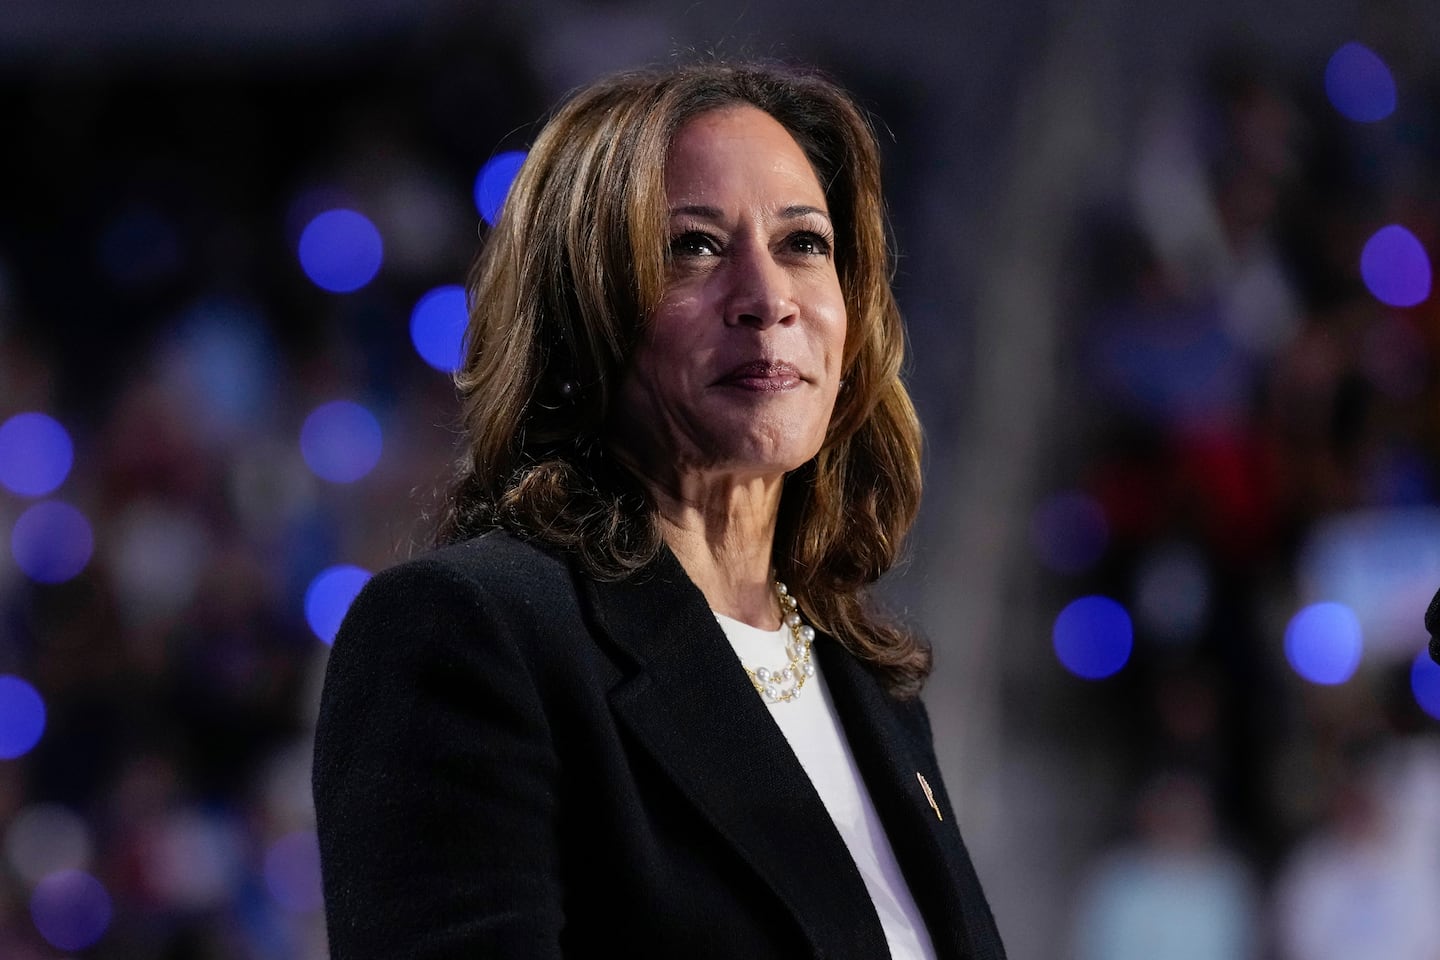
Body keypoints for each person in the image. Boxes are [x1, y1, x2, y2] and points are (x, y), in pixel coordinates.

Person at [312, 60, 1007, 959]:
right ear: (580, 306)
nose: (768, 300)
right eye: (696, 247)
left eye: (804, 243)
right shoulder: (467, 635)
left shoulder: (869, 686)